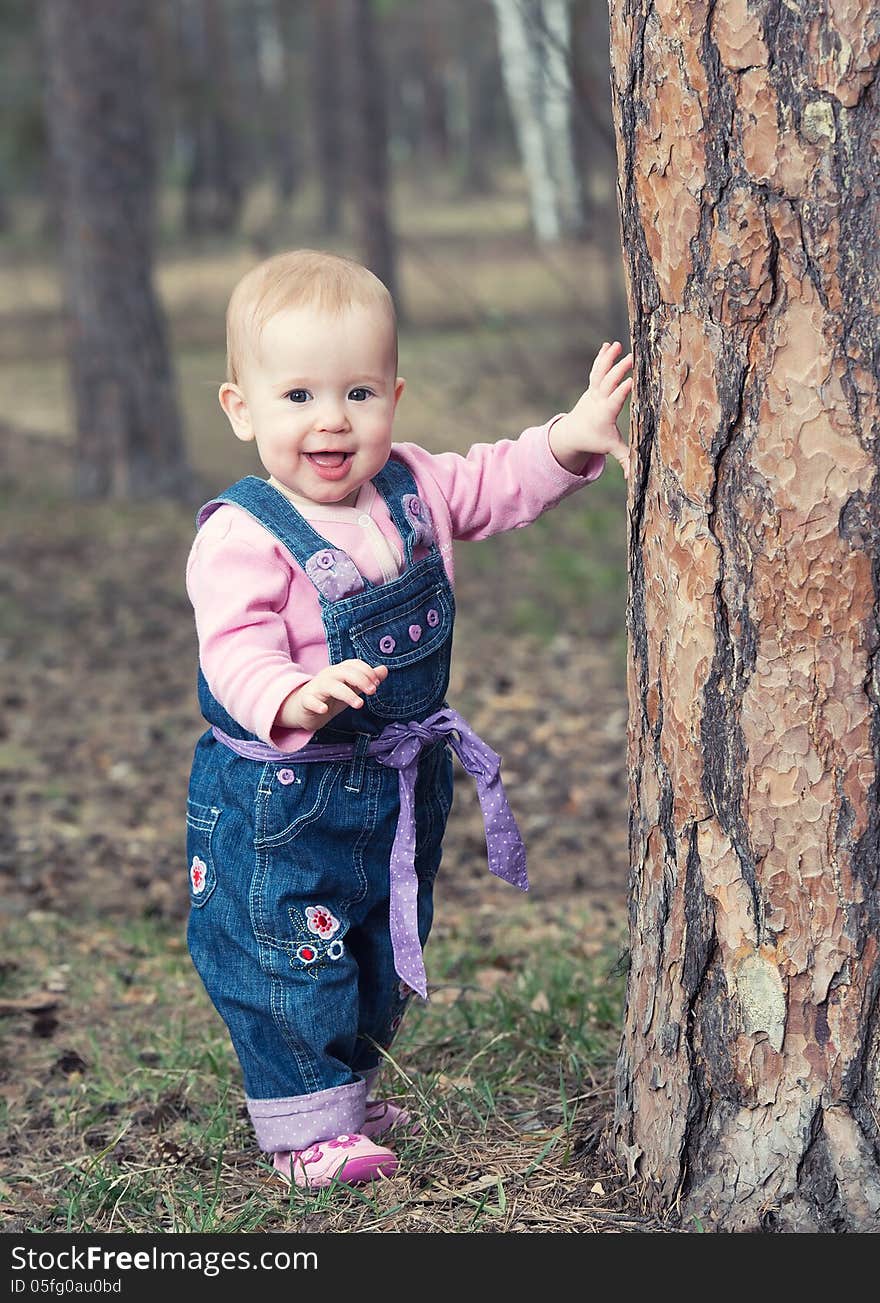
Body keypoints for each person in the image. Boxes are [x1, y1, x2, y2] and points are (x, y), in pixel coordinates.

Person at [185, 248, 632, 1190]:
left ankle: (346, 1084)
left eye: (357, 391)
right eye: (298, 396)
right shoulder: (242, 531)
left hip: (396, 779)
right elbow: (233, 645)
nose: (332, 421)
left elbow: (496, 480)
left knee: (382, 936)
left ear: (394, 392)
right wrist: (285, 694)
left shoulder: (413, 485)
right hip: (283, 794)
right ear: (241, 408)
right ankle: (306, 1124)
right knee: (288, 948)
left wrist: (571, 436)